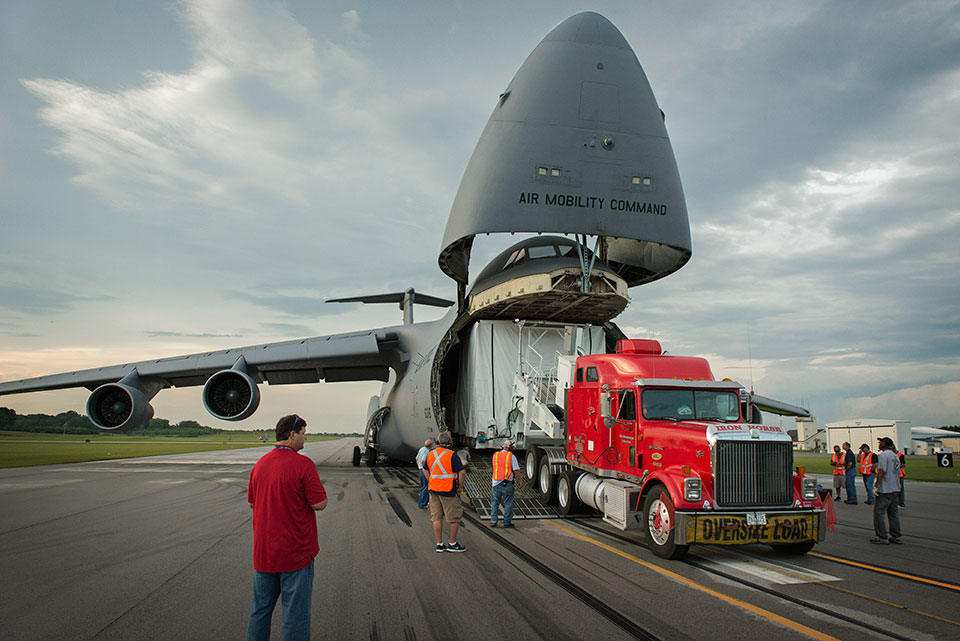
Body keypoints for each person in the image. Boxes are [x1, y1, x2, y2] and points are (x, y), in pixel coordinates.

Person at [246, 414, 327, 641]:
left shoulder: (260, 464)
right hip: (295, 554)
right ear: (292, 435)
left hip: (264, 554)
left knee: (260, 609)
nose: (305, 438)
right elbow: (319, 503)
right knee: (295, 615)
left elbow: (252, 502)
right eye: (303, 433)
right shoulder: (303, 465)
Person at [423, 431, 466, 552]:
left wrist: (431, 480)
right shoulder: (452, 455)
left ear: (438, 442)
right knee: (454, 518)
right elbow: (462, 472)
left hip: (433, 490)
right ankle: (452, 543)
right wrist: (460, 487)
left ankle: (439, 544)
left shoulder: (431, 454)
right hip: (448, 491)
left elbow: (425, 470)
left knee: (436, 518)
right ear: (450, 442)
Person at [870, 437, 902, 545]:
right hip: (896, 488)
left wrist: (876, 486)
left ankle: (882, 536)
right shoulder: (895, 456)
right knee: (893, 513)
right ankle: (896, 535)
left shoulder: (884, 455)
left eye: (880, 442)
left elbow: (882, 471)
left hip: (886, 489)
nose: (879, 443)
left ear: (885, 444)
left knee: (879, 512)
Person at [489, 440, 522, 528]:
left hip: (495, 483)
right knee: (508, 503)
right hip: (507, 483)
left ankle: (493, 520)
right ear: (510, 447)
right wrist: (520, 481)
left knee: (495, 502)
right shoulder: (511, 456)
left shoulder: (495, 455)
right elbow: (516, 470)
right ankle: (507, 522)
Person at [416, 439, 434, 509]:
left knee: (422, 487)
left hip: (420, 470)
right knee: (426, 487)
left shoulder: (421, 449)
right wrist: (425, 468)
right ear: (431, 445)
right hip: (424, 471)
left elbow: (417, 459)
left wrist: (419, 467)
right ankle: (423, 503)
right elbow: (423, 460)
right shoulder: (427, 451)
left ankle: (421, 502)